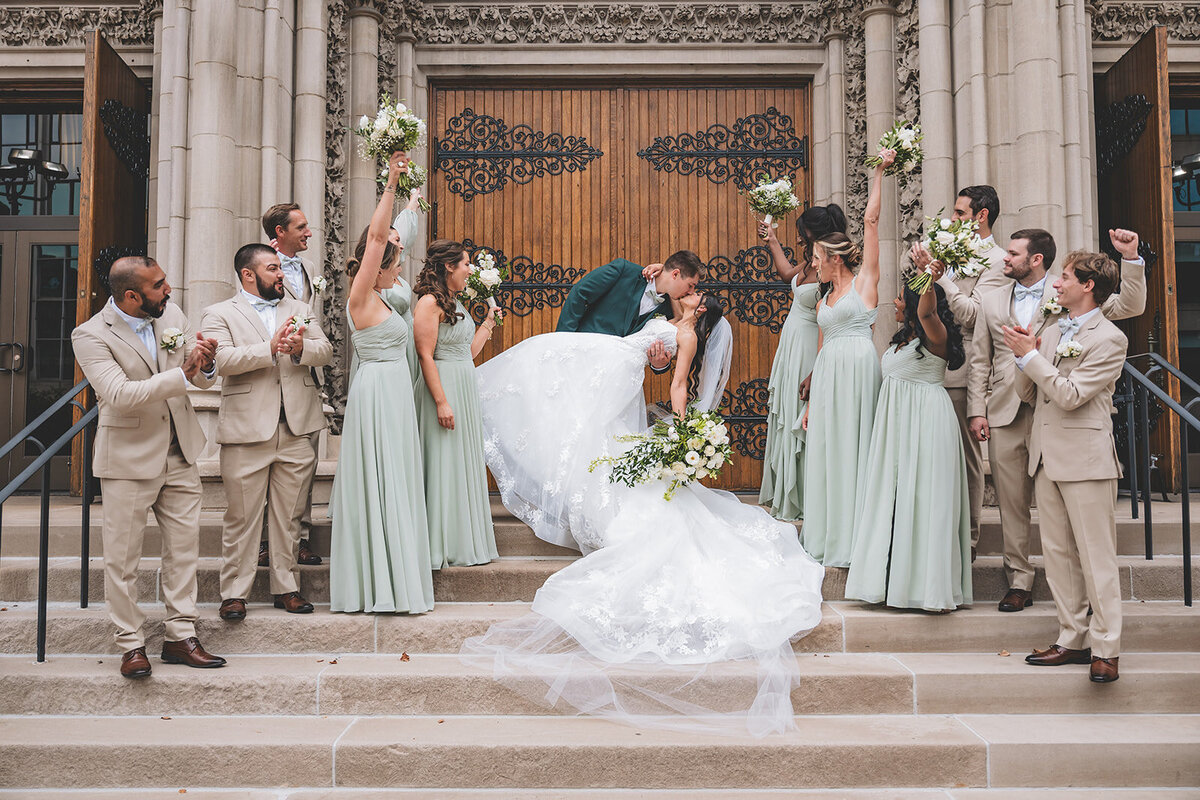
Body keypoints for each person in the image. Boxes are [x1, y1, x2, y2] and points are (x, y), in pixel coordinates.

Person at [465, 291, 825, 735]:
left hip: (614, 373)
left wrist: (681, 437)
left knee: (582, 425)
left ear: (700, 309)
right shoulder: (667, 321)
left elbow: (677, 386)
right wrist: (653, 357)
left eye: (695, 294)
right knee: (553, 381)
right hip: (613, 368)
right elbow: (657, 361)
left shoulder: (689, 336)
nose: (689, 293)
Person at [968, 228, 1146, 612]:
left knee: (1067, 520)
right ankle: (1019, 579)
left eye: (1013, 252)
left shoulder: (1069, 292)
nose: (1005, 258)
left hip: (1063, 414)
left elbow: (1129, 304)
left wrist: (1130, 261)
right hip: (1007, 404)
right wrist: (976, 408)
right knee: (1012, 500)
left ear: (1036, 259)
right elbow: (981, 357)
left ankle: (1082, 611)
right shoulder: (993, 298)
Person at [71, 256, 226, 677]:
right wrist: (184, 374)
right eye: (159, 286)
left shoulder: (169, 314)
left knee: (183, 551)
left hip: (180, 452)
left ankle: (180, 635)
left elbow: (199, 379)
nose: (169, 291)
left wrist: (206, 364)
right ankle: (131, 643)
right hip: (127, 461)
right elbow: (119, 395)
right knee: (122, 560)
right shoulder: (89, 335)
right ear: (131, 296)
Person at [1005, 249, 1129, 683]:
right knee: (1058, 556)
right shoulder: (1054, 330)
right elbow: (1026, 393)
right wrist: (1027, 352)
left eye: (1065, 277)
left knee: (1096, 558)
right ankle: (1072, 638)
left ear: (1088, 286)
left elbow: (1072, 395)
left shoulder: (1110, 339)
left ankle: (1106, 648)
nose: (1056, 284)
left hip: (1087, 460)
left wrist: (1033, 359)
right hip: (1046, 456)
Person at [200, 243, 332, 620]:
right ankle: (234, 593)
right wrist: (268, 348)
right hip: (246, 431)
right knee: (242, 517)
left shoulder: (300, 309)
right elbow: (221, 360)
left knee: (289, 516)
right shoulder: (218, 313)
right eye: (273, 268)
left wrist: (299, 348)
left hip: (297, 426)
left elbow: (324, 350)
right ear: (248, 274)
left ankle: (286, 587)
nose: (281, 275)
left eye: (280, 269)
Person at [328, 152, 433, 614]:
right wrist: (389, 181)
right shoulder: (362, 298)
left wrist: (412, 201)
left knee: (398, 476)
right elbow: (375, 237)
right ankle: (378, 580)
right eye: (394, 261)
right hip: (376, 393)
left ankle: (398, 571)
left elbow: (392, 238)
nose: (398, 265)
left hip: (395, 392)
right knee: (380, 474)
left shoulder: (387, 300)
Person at [845, 273, 972, 612]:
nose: (896, 303)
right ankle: (889, 582)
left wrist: (928, 280)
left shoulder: (935, 336)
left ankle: (927, 589)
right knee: (894, 498)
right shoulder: (902, 338)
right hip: (896, 425)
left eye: (902, 298)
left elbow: (929, 314)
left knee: (926, 499)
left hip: (927, 422)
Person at [799, 150, 891, 567]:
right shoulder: (824, 295)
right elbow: (821, 344)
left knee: (855, 449)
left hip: (857, 368)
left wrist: (878, 173)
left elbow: (871, 222)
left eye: (817, 259)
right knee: (826, 450)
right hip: (831, 369)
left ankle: (857, 541)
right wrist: (811, 399)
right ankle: (828, 535)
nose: (813, 265)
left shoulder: (865, 284)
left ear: (834, 259)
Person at [911, 185, 1009, 557]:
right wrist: (923, 268)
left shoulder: (998, 261)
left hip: (962, 365)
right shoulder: (949, 248)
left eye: (960, 213)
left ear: (981, 216)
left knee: (966, 458)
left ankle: (967, 539)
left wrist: (942, 277)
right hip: (928, 358)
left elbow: (972, 315)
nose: (953, 220)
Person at [413, 239, 502, 568]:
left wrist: (489, 323)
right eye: (465, 264)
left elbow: (466, 353)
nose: (469, 270)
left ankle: (462, 538)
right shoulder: (428, 303)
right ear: (449, 266)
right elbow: (426, 355)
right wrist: (441, 402)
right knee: (443, 463)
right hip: (444, 389)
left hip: (463, 385)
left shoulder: (454, 301)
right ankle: (442, 542)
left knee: (461, 462)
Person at [758, 204, 847, 520]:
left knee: (802, 416)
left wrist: (817, 367)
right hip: (791, 344)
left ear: (813, 233)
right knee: (787, 411)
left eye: (801, 231)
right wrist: (772, 240)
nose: (798, 235)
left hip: (811, 345)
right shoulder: (810, 263)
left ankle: (809, 497)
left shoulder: (829, 268)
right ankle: (788, 494)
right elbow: (786, 274)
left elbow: (832, 315)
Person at [259, 202, 324, 568]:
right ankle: (269, 542)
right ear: (279, 232)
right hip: (271, 377)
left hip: (304, 375)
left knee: (306, 467)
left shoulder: (310, 268)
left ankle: (300, 538)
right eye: (301, 227)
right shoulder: (260, 267)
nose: (308, 233)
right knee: (271, 470)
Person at [556, 250, 703, 374]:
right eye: (690, 285)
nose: (691, 292)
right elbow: (580, 294)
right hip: (580, 353)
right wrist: (564, 340)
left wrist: (659, 365)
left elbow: (664, 353)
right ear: (675, 274)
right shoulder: (624, 271)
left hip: (617, 376)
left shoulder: (671, 311)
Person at [380, 189, 424, 381]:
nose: (402, 245)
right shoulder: (375, 275)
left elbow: (405, 235)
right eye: (397, 240)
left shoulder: (395, 270)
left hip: (409, 343)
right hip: (389, 345)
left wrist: (412, 204)